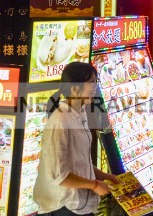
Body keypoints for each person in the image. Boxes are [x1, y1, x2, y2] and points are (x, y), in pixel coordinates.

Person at [34, 62, 119, 215]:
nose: (95, 87)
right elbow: (60, 176)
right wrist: (94, 185)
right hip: (63, 207)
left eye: (96, 81)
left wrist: (106, 177)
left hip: (80, 204)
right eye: (91, 82)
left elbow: (80, 162)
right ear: (74, 89)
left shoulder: (80, 113)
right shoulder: (60, 121)